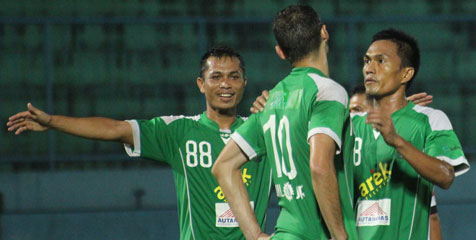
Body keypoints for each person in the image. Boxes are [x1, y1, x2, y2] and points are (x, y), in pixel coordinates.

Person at [7, 46, 272, 240]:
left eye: (234, 76)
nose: (226, 84)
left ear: (244, 83)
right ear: (201, 84)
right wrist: (53, 121)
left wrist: (277, 107)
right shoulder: (179, 131)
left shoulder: (263, 130)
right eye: (216, 77)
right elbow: (115, 129)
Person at [212, 5, 354, 240]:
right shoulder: (327, 91)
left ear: (280, 52)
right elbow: (319, 166)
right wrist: (340, 235)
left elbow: (223, 166)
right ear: (324, 33)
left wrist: (256, 236)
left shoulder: (271, 100)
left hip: (286, 232)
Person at [348, 28, 470, 239]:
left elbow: (446, 176)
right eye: (367, 61)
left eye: (380, 61)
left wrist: (397, 141)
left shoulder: (430, 120)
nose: (369, 68)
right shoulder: (349, 126)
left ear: (406, 73)